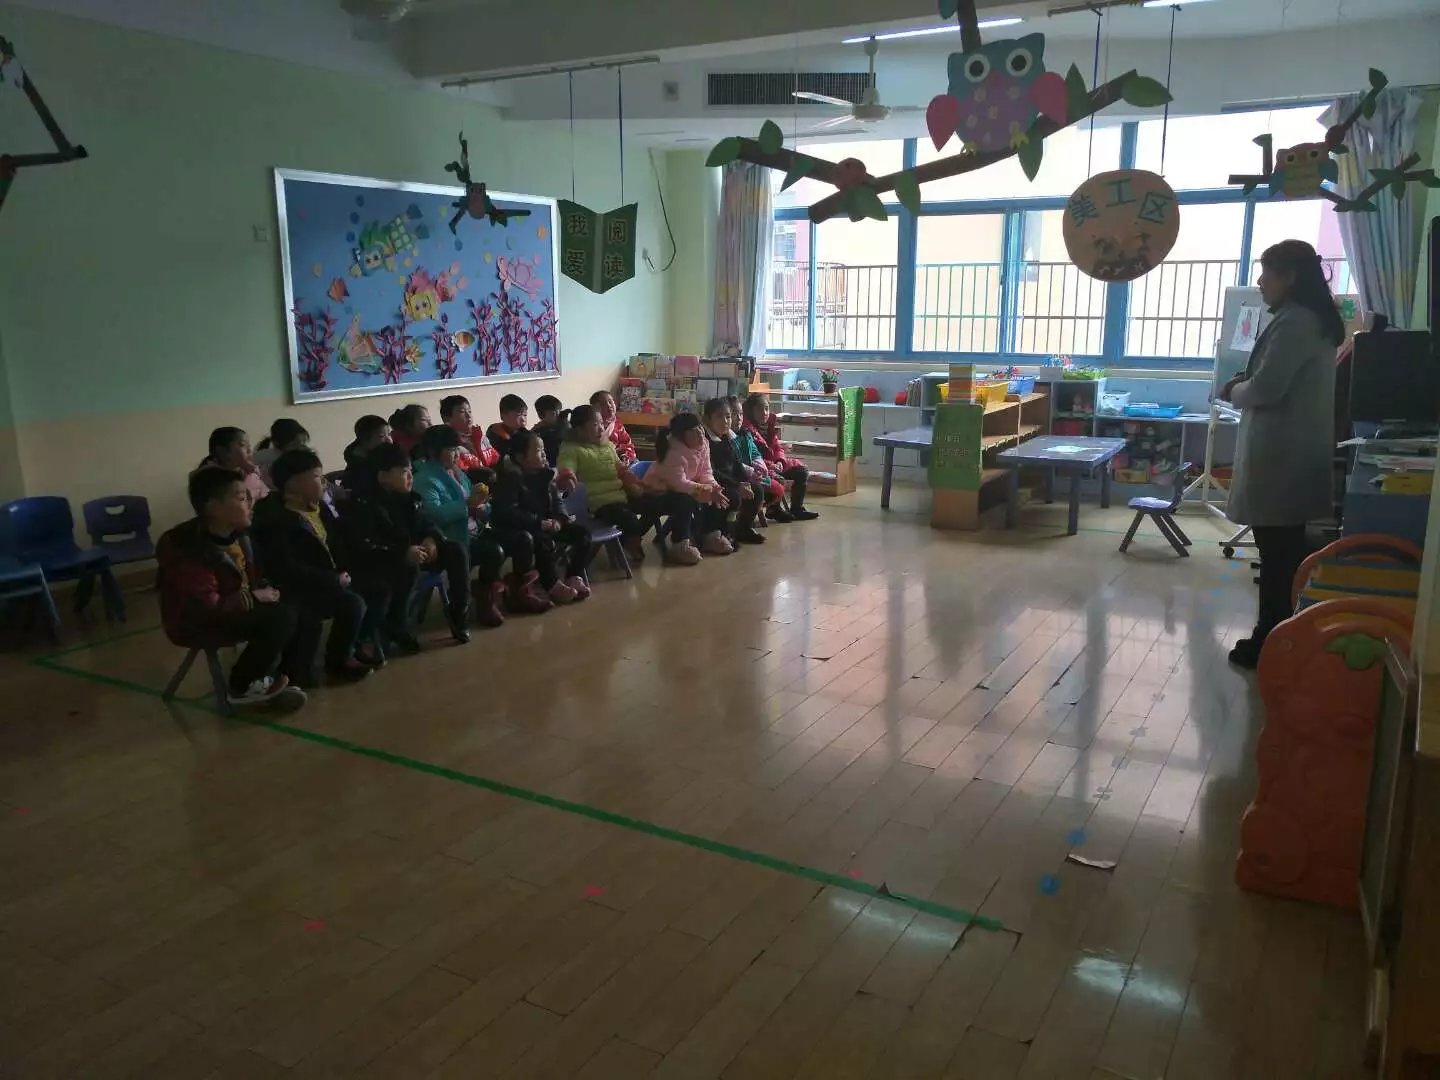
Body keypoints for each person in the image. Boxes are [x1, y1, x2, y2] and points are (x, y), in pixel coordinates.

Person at [1220, 239, 1343, 669]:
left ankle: (1270, 641)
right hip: (1290, 453)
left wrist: (1234, 390)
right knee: (1282, 555)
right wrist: (1247, 379)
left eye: (1266, 273)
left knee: (1277, 558)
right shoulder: (1306, 318)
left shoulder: (1297, 322)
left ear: (1289, 277)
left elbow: (1267, 388)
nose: (1260, 282)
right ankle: (1280, 635)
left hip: (1281, 458)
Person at [156, 467, 307, 711]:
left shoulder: (240, 535)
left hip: (233, 607)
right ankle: (242, 685)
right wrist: (253, 597)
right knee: (280, 616)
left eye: (249, 495)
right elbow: (205, 607)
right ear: (213, 507)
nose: (250, 502)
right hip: (197, 622)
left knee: (295, 599)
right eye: (241, 497)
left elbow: (254, 576)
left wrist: (265, 588)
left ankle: (278, 677)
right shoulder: (187, 548)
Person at [251, 449, 384, 681]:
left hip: (331, 578)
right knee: (352, 603)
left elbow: (339, 545)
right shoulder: (275, 519)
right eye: (316, 476)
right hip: (300, 586)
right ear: (293, 483)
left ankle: (356, 645)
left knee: (378, 589)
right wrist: (333, 579)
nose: (323, 482)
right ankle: (338, 660)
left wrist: (347, 568)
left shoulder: (319, 508)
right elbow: (286, 567)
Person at [344, 442, 472, 648]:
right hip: (382, 562)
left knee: (456, 550)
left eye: (411, 471)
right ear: (383, 476)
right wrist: (402, 552)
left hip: (415, 553)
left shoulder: (409, 498)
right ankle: (397, 625)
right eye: (404, 472)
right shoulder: (364, 505)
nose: (411, 477)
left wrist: (432, 538)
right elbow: (367, 546)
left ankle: (459, 612)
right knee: (407, 568)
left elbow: (427, 523)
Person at [410, 424, 511, 627]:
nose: (456, 454)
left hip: (473, 530)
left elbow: (475, 503)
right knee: (493, 551)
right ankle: (480, 601)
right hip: (449, 539)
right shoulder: (423, 480)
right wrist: (467, 504)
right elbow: (434, 515)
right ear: (433, 452)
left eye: (457, 449)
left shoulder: (457, 472)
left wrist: (482, 506)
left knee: (515, 538)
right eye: (450, 449)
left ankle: (489, 592)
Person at [491, 429, 593, 605]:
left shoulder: (545, 475)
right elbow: (508, 512)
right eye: (538, 451)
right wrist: (539, 522)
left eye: (543, 449)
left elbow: (558, 501)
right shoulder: (510, 480)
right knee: (543, 541)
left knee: (583, 535)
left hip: (548, 524)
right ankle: (551, 584)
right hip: (525, 529)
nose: (544, 454)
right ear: (521, 457)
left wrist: (559, 519)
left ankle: (573, 575)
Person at [555, 404, 651, 564]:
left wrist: (631, 479)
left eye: (601, 423)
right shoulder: (571, 449)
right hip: (596, 503)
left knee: (651, 503)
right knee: (628, 517)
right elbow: (566, 467)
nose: (601, 428)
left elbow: (619, 468)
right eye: (595, 425)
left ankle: (628, 538)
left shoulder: (607, 445)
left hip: (619, 494)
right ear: (580, 430)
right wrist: (567, 477)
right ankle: (629, 542)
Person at [643, 411, 729, 564]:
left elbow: (706, 472)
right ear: (680, 436)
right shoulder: (672, 452)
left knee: (717, 495)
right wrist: (707, 490)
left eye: (700, 428)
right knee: (685, 501)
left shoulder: (703, 445)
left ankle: (710, 537)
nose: (700, 433)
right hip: (656, 493)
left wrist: (714, 488)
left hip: (683, 489)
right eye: (693, 431)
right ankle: (680, 545)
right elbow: (679, 483)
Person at [742, 394, 820, 521]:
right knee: (777, 478)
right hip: (761, 467)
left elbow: (777, 447)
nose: (764, 413)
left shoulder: (769, 426)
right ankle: (774, 509)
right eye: (760, 409)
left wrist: (780, 461)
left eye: (766, 408)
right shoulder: (746, 430)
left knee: (802, 470)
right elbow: (751, 456)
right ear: (751, 411)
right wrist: (771, 465)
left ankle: (797, 508)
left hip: (775, 463)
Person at [703, 397, 763, 545]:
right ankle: (724, 532)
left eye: (728, 416)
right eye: (719, 417)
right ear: (707, 419)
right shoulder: (704, 441)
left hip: (731, 482)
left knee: (757, 490)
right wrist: (737, 485)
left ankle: (743, 528)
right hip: (713, 483)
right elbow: (712, 471)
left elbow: (736, 464)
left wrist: (745, 481)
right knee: (734, 496)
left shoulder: (726, 437)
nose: (725, 421)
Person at [729, 394, 785, 524]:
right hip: (741, 476)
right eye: (733, 414)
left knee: (799, 471)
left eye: (740, 414)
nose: (739, 418)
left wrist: (778, 461)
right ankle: (742, 524)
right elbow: (735, 463)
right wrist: (759, 469)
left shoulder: (745, 432)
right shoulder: (743, 432)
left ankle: (782, 510)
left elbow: (759, 452)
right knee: (763, 488)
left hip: (765, 467)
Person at [196, 427, 267, 505]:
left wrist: (254, 472)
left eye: (249, 446)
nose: (249, 450)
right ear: (222, 452)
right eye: (243, 445)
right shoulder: (208, 478)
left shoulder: (249, 472)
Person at [440, 394, 499, 477]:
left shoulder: (480, 436)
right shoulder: (450, 445)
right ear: (446, 418)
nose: (468, 416)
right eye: (462, 412)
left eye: (469, 411)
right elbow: (461, 473)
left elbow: (496, 458)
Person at [253, 419, 310, 490]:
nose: (300, 448)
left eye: (303, 443)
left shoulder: (301, 455)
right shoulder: (269, 457)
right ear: (277, 444)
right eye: (294, 444)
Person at [342, 415, 391, 490]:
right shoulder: (360, 466)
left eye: (389, 434)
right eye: (381, 436)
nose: (389, 440)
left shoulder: (382, 452)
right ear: (364, 440)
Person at [591, 390, 637, 465]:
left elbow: (626, 444)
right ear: (594, 409)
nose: (609, 405)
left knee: (635, 463)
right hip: (602, 460)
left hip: (619, 458)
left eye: (610, 402)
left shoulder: (617, 425)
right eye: (603, 404)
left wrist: (625, 456)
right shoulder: (592, 426)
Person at [486, 393, 529, 460]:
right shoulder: (495, 433)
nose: (523, 419)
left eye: (525, 415)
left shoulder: (523, 432)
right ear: (503, 416)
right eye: (518, 415)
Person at [532, 394, 568, 467]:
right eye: (554, 413)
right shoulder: (538, 431)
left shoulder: (565, 426)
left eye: (559, 411)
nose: (558, 415)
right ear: (541, 415)